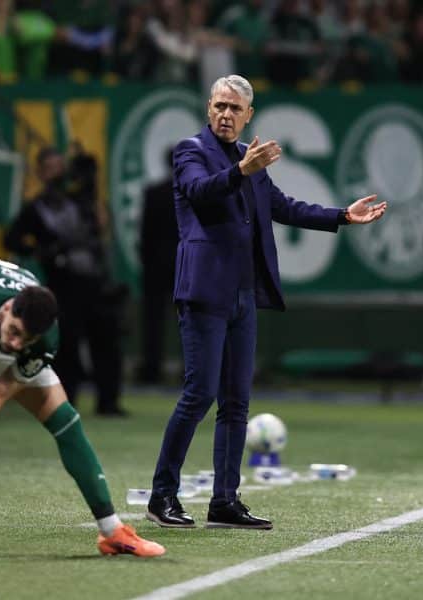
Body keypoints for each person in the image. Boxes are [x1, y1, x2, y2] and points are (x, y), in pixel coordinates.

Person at [147, 74, 386, 529]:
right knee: (200, 394)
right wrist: (241, 171)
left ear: (248, 115)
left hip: (242, 294)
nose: (225, 114)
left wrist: (342, 216)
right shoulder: (191, 151)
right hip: (204, 290)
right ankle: (163, 496)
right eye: (219, 105)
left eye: (235, 109)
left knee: (237, 402)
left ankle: (224, 500)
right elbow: (200, 191)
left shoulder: (247, 160)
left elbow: (283, 207)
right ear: (208, 107)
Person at [0, 259, 163, 556]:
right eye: (14, 331)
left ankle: (112, 531)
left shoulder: (41, 339)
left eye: (25, 338)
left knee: (66, 422)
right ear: (8, 307)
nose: (15, 342)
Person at [4, 145, 126, 416]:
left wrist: (90, 179)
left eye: (61, 166)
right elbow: (11, 239)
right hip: (63, 285)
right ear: (40, 172)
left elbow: (100, 224)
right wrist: (42, 251)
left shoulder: (80, 202)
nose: (58, 173)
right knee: (66, 346)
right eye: (51, 167)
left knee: (106, 341)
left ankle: (109, 402)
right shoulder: (36, 209)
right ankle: (65, 401)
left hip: (94, 281)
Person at [137, 148, 179, 383]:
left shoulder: (154, 193)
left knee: (153, 322)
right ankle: (192, 373)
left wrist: (148, 263)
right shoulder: (194, 194)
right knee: (191, 324)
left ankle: (152, 371)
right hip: (186, 267)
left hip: (155, 268)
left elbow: (145, 235)